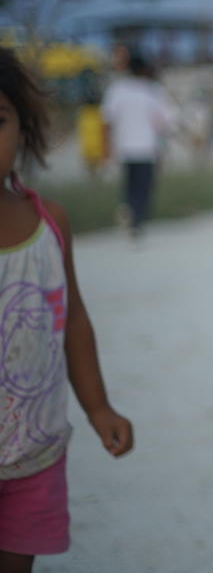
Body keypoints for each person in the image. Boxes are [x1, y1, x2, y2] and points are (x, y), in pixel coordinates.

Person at [0, 48, 133, 573]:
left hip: (36, 451)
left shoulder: (49, 223)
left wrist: (99, 408)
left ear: (24, 131)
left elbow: (73, 320)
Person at [100, 52, 176, 236]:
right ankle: (136, 219)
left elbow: (107, 121)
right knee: (144, 186)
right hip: (146, 147)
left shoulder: (117, 89)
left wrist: (106, 147)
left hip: (124, 146)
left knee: (129, 184)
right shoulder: (152, 90)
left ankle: (129, 209)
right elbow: (165, 121)